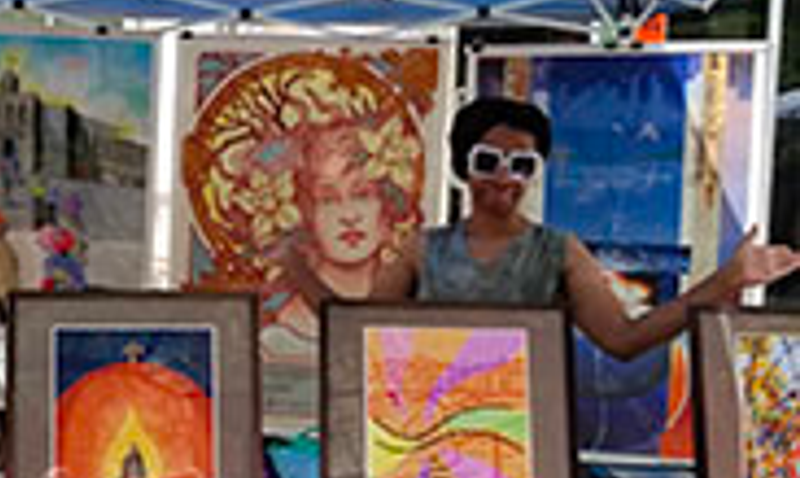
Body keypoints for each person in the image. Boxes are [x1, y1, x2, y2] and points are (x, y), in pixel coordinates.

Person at [369, 96, 800, 360]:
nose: (504, 177)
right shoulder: (420, 250)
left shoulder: (558, 251)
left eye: (521, 165)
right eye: (487, 161)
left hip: (526, 444)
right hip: (425, 441)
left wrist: (727, 280)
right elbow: (358, 333)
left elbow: (624, 339)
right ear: (463, 167)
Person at [271, 120, 416, 344]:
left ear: (387, 206)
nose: (349, 216)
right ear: (306, 213)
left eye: (362, 195)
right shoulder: (278, 335)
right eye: (328, 199)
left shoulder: (412, 301)